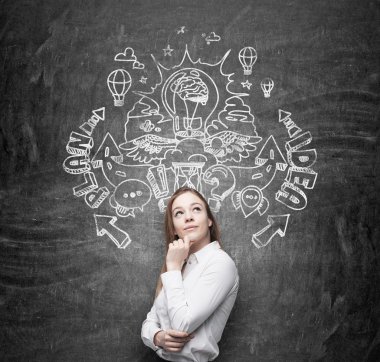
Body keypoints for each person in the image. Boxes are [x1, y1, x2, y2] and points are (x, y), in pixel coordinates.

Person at [141, 186, 239, 361]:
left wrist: (172, 268)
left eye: (196, 209)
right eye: (179, 213)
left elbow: (182, 325)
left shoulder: (220, 263)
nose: (188, 217)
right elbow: (148, 323)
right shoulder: (181, 265)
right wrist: (157, 337)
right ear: (173, 229)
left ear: (209, 220)